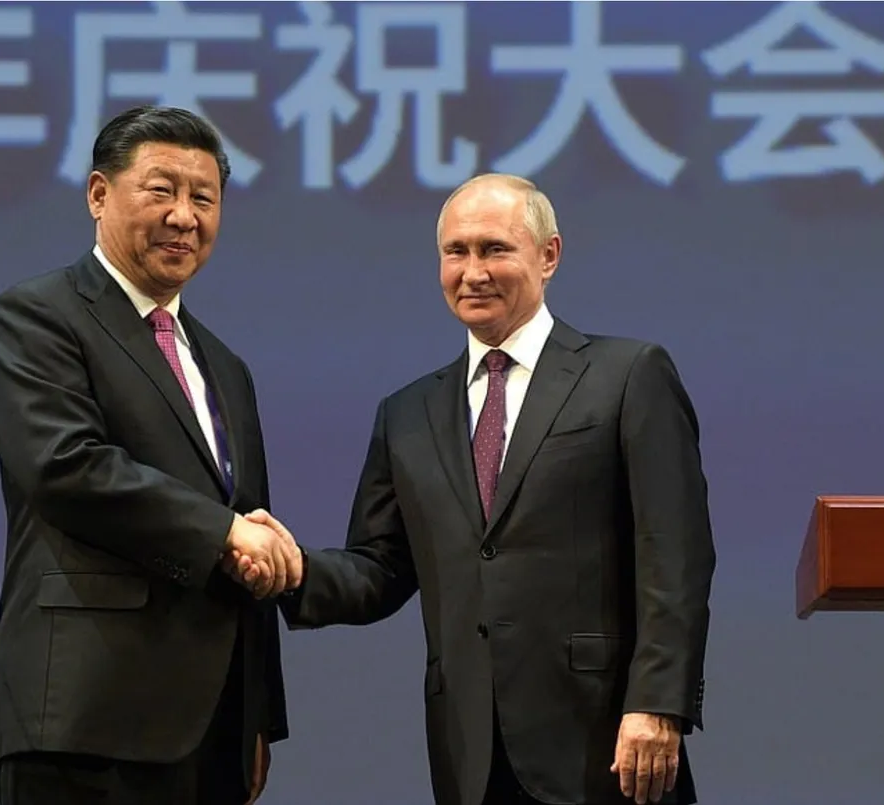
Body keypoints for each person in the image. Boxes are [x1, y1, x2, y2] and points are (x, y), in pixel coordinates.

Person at [238, 173, 716, 805]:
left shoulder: (627, 375)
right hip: (470, 752)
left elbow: (675, 553)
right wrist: (296, 571)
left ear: (549, 256)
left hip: (606, 739)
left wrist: (658, 704)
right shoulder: (407, 412)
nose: (472, 271)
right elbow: (381, 567)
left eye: (494, 249)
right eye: (455, 252)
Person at [0, 105, 302, 805]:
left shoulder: (224, 364)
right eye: (161, 190)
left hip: (210, 730)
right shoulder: (38, 315)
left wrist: (257, 716)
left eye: (203, 198)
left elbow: (247, 523)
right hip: (83, 721)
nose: (184, 215)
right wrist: (223, 532)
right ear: (98, 195)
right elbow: (66, 467)